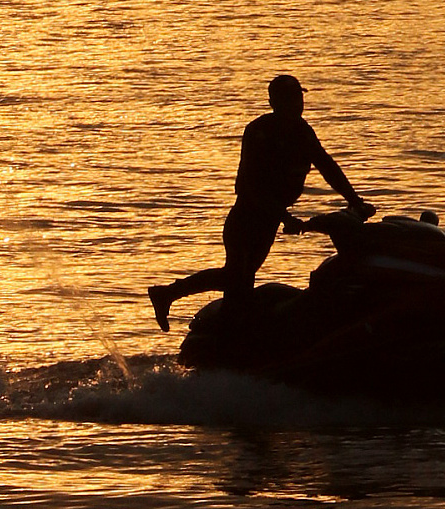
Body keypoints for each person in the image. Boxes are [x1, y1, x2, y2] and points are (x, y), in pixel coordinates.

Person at [149, 76, 370, 330]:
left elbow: (327, 166)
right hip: (246, 218)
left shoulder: (303, 131)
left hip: (269, 222)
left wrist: (354, 200)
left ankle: (225, 337)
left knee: (241, 285)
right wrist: (284, 216)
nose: (298, 104)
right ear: (274, 102)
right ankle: (168, 294)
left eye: (299, 98)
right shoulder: (259, 131)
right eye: (291, 99)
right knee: (236, 277)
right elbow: (249, 186)